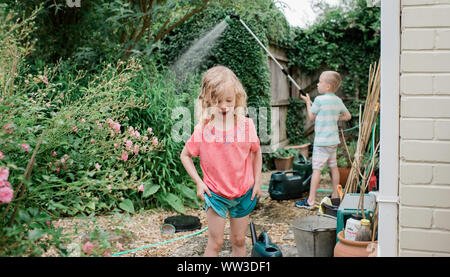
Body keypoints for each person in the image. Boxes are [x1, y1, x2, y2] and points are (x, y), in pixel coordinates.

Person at [180, 65, 262, 257]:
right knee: (215, 243)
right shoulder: (203, 130)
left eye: (229, 100)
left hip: (244, 193)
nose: (224, 106)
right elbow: (185, 156)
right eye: (217, 101)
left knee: (239, 241)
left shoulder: (246, 126)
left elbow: (256, 152)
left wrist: (257, 182)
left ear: (237, 98)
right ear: (207, 102)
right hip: (216, 195)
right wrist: (199, 183)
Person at [296, 71, 351, 209]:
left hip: (321, 143)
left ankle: (310, 201)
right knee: (334, 168)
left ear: (327, 86)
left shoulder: (319, 100)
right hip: (333, 142)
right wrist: (335, 117)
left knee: (317, 170)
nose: (317, 84)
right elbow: (348, 116)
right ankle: (335, 196)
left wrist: (308, 102)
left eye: (320, 82)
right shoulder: (338, 101)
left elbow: (311, 117)